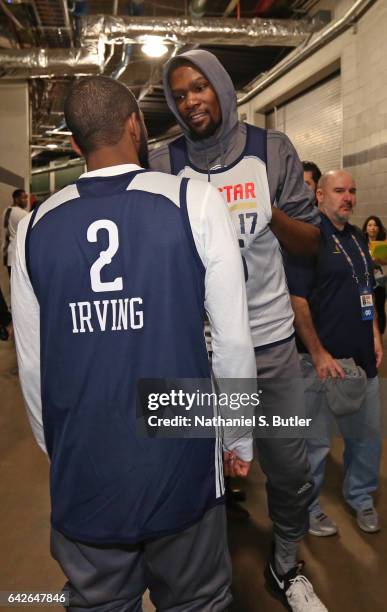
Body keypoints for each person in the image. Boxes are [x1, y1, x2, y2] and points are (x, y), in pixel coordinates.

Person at [11, 76, 257, 611]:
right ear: (135, 125)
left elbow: (33, 367)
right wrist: (238, 437)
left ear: (74, 145)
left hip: (87, 471)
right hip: (182, 464)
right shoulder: (195, 200)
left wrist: (62, 451)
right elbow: (234, 340)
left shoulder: (31, 228)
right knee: (197, 601)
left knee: (98, 602)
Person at [150, 50, 327, 612]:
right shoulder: (163, 161)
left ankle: (286, 566)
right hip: (196, 352)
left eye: (200, 87)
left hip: (271, 344)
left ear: (222, 88)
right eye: (179, 94)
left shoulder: (271, 150)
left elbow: (312, 242)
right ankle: (195, 585)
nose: (190, 101)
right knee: (189, 468)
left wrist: (267, 208)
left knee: (290, 464)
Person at [287, 170, 383, 537]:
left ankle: (360, 497)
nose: (348, 197)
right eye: (339, 191)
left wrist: (374, 333)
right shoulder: (309, 238)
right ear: (320, 196)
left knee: (367, 434)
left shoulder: (358, 238)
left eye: (353, 191)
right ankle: (308, 509)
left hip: (361, 358)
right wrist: (319, 352)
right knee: (315, 443)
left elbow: (366, 292)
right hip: (318, 363)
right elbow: (298, 302)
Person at [362, 215, 387, 334]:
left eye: (375, 225)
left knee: (380, 308)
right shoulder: (360, 243)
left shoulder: (384, 243)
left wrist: (380, 260)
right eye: (370, 225)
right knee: (367, 308)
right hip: (364, 280)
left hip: (380, 280)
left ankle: (380, 334)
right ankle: (369, 334)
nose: (372, 228)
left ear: (379, 228)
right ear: (365, 228)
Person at [1, 189, 28, 277]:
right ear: (16, 199)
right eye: (24, 198)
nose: (26, 200)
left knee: (12, 283)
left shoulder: (6, 211)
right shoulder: (23, 214)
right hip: (18, 255)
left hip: (7, 254)